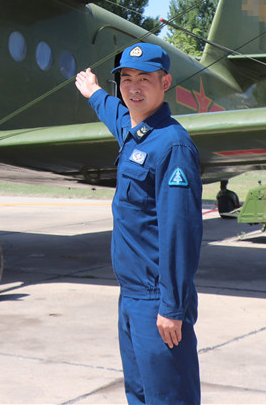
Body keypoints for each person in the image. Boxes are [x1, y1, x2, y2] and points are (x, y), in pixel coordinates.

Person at [75, 42, 203, 405]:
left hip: (156, 300)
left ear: (165, 83)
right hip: (130, 296)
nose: (133, 87)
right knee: (140, 395)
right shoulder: (136, 132)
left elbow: (180, 233)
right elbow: (116, 114)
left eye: (144, 79)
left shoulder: (172, 146)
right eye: (126, 79)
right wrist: (94, 92)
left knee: (169, 398)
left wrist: (172, 307)